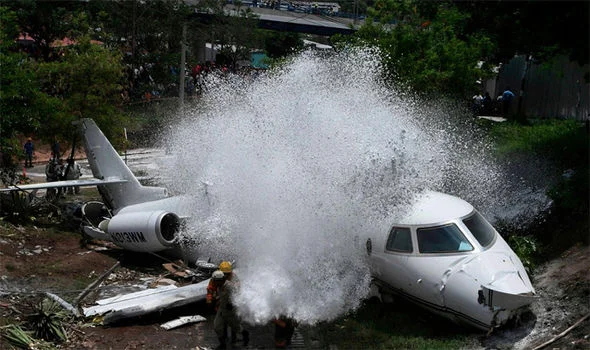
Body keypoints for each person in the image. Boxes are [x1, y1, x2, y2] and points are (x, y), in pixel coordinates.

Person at [214, 261, 249, 348]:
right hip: (222, 306)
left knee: (235, 326)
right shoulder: (218, 278)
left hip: (231, 308)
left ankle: (242, 335)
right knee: (218, 326)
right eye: (223, 273)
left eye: (227, 273)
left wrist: (232, 303)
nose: (225, 275)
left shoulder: (233, 281)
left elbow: (238, 293)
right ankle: (223, 344)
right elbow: (213, 288)